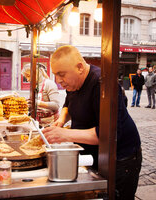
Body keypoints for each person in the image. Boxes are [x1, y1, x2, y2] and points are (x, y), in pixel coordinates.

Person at [42, 45, 142, 200]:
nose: (58, 80)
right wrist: (61, 121)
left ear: (80, 67)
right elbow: (68, 104)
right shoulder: (73, 83)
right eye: (55, 74)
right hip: (93, 155)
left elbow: (108, 134)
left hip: (121, 158)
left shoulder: (102, 84)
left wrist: (65, 134)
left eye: (61, 74)